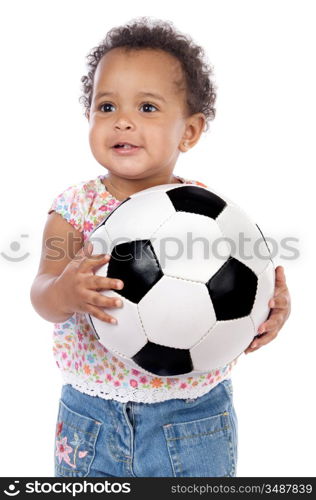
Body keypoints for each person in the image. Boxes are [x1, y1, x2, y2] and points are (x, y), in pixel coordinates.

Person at [30, 17, 291, 478]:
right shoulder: (74, 209)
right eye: (106, 106)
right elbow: (42, 295)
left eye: (147, 108)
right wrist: (64, 293)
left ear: (189, 132)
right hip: (91, 413)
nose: (123, 120)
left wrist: (274, 307)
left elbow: (251, 279)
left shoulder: (211, 212)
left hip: (193, 417)